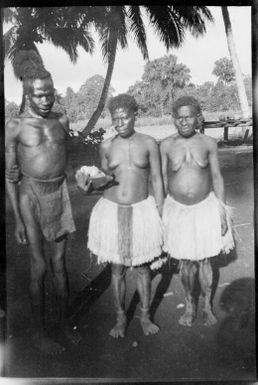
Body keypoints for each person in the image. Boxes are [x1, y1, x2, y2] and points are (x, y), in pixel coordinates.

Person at [5, 57, 81, 354]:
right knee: (39, 266)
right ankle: (40, 334)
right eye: (39, 95)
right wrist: (18, 222)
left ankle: (62, 324)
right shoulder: (15, 126)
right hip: (30, 194)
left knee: (60, 266)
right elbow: (10, 176)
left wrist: (83, 179)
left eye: (50, 93)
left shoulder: (62, 120)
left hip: (59, 192)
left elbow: (66, 159)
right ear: (27, 95)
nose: (47, 100)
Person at [76, 94, 164, 338]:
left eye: (125, 117)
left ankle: (145, 316)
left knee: (143, 268)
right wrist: (88, 188)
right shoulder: (106, 145)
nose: (121, 122)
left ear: (135, 115)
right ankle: (120, 319)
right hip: (111, 211)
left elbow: (157, 178)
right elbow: (102, 180)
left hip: (142, 211)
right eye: (116, 119)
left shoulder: (148, 143)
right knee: (117, 269)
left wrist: (161, 210)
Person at [160, 96, 235, 327]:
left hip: (205, 207)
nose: (184, 122)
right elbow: (161, 180)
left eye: (189, 116)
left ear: (198, 118)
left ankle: (207, 307)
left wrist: (222, 211)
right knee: (185, 262)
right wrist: (161, 213)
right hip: (178, 210)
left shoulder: (209, 143)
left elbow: (217, 178)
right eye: (179, 118)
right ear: (174, 120)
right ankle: (190, 306)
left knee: (204, 260)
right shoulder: (165, 145)